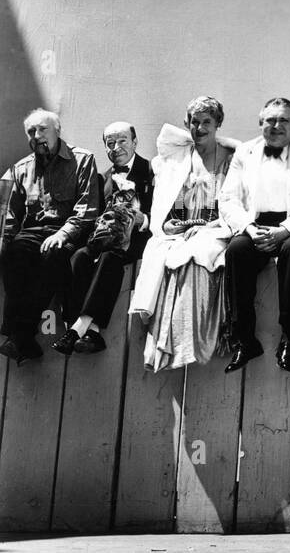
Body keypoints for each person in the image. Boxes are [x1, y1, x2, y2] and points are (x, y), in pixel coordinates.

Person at [219, 97, 290, 373]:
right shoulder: (245, 152)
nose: (276, 125)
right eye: (270, 120)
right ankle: (245, 340)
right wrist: (248, 228)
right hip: (255, 225)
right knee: (236, 251)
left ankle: (289, 336)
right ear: (261, 123)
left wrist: (285, 230)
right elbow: (227, 199)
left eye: (284, 120)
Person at [129, 97, 241, 371]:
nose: (200, 128)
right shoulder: (177, 159)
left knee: (196, 254)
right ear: (186, 124)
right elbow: (165, 206)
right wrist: (168, 224)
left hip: (216, 229)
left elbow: (236, 206)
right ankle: (162, 346)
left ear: (218, 125)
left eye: (207, 123)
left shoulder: (230, 159)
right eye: (195, 122)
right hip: (180, 231)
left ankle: (189, 342)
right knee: (162, 251)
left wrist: (208, 227)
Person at [0, 108, 100, 365]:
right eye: (31, 132)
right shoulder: (21, 168)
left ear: (57, 131)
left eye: (42, 129)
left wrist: (63, 233)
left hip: (70, 231)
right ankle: (22, 338)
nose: (36, 135)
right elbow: (9, 215)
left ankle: (18, 334)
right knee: (13, 253)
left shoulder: (83, 159)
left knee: (53, 254)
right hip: (33, 233)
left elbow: (86, 209)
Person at [56, 121, 154, 355]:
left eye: (122, 141)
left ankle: (76, 330)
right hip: (106, 238)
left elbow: (175, 206)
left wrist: (144, 219)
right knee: (80, 256)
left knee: (111, 258)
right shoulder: (101, 179)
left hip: (140, 238)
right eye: (110, 143)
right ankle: (93, 331)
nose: (116, 147)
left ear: (135, 142)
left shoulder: (153, 170)